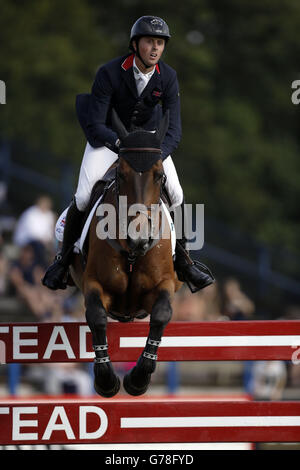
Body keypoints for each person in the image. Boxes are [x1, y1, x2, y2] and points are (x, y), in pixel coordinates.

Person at [42, 15, 214, 292]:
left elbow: (175, 130)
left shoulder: (168, 77)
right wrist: (122, 147)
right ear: (135, 44)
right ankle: (62, 262)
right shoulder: (109, 73)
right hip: (108, 143)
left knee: (178, 195)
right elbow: (96, 123)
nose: (155, 48)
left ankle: (185, 262)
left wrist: (155, 154)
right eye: (149, 42)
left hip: (148, 148)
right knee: (85, 195)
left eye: (160, 43)